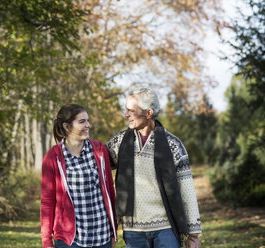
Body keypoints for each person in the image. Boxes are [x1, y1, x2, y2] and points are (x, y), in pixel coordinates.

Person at [106, 88, 202, 248]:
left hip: (167, 229)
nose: (126, 115)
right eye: (126, 110)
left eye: (131, 110)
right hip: (133, 230)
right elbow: (99, 165)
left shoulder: (173, 145)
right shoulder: (120, 141)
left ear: (148, 112)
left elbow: (187, 190)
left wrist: (193, 235)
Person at [41, 104, 118, 248]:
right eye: (82, 122)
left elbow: (109, 191)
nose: (88, 125)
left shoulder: (100, 150)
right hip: (70, 241)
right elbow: (47, 202)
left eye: (88, 121)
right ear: (67, 127)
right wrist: (46, 241)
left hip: (102, 237)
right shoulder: (53, 157)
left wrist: (114, 231)